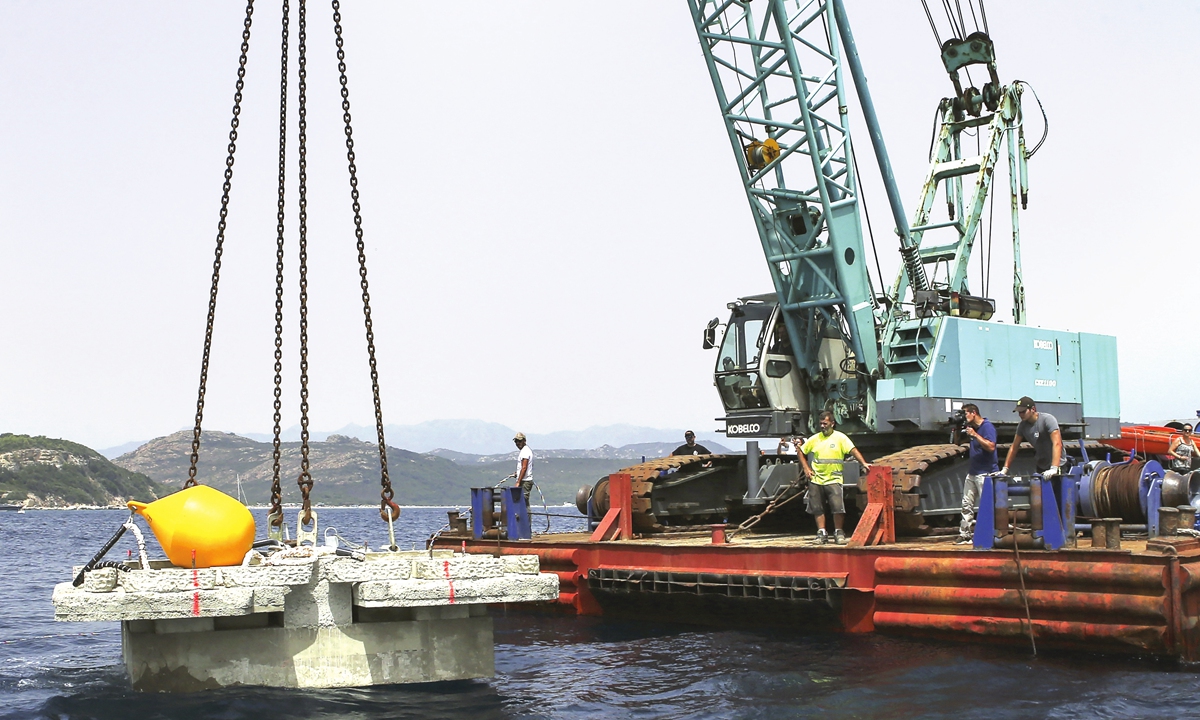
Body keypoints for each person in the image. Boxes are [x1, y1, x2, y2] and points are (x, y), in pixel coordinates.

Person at [797, 411, 871, 545]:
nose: (822, 426)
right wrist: (806, 468)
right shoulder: (815, 438)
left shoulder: (840, 438)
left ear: (832, 423)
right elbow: (801, 451)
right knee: (817, 508)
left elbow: (853, 450)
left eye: (825, 423)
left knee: (837, 507)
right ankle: (821, 533)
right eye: (820, 424)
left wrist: (863, 463)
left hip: (834, 479)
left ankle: (838, 532)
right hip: (816, 479)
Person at [956, 403, 998, 544]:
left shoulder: (987, 427)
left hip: (985, 472)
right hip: (973, 472)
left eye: (965, 413)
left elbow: (991, 447)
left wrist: (975, 435)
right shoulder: (971, 428)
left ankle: (989, 533)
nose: (964, 416)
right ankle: (964, 534)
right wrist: (957, 429)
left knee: (986, 505)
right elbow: (957, 443)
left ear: (973, 413)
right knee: (966, 504)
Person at [1001, 396, 1062, 477]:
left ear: (1033, 409)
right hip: (1042, 465)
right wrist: (1005, 469)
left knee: (1057, 489)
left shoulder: (1047, 420)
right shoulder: (1022, 426)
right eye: (1019, 412)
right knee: (1036, 485)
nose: (1020, 415)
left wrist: (1054, 468)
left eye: (1023, 411)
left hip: (1058, 464)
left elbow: (1057, 443)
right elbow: (1014, 447)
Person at [510, 432, 534, 503]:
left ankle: (526, 514)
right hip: (524, 479)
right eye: (516, 441)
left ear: (524, 441)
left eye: (520, 441)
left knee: (523, 503)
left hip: (525, 481)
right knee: (521, 502)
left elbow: (524, 467)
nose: (518, 443)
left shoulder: (525, 451)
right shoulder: (525, 451)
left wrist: (518, 482)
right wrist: (517, 473)